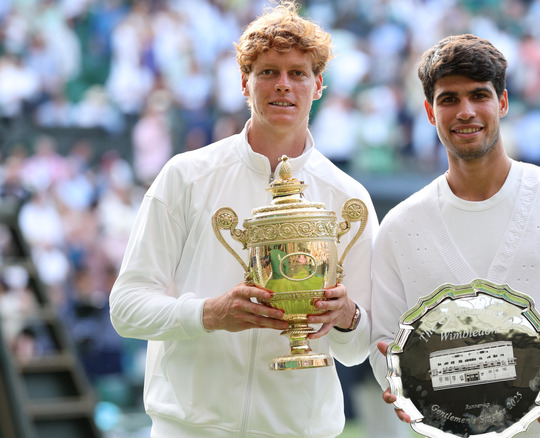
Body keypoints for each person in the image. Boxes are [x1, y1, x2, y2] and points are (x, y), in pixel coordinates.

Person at [108, 2, 378, 437]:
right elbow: (126, 308)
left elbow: (358, 348)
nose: (283, 85)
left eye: (298, 73)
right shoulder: (186, 176)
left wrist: (346, 315)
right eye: (268, 72)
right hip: (188, 429)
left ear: (319, 84)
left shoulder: (350, 198)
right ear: (244, 83)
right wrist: (209, 313)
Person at [368, 34, 540, 437]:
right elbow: (386, 343)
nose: (466, 112)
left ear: (504, 103)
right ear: (429, 111)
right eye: (449, 99)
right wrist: (400, 380)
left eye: (479, 95)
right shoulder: (401, 226)